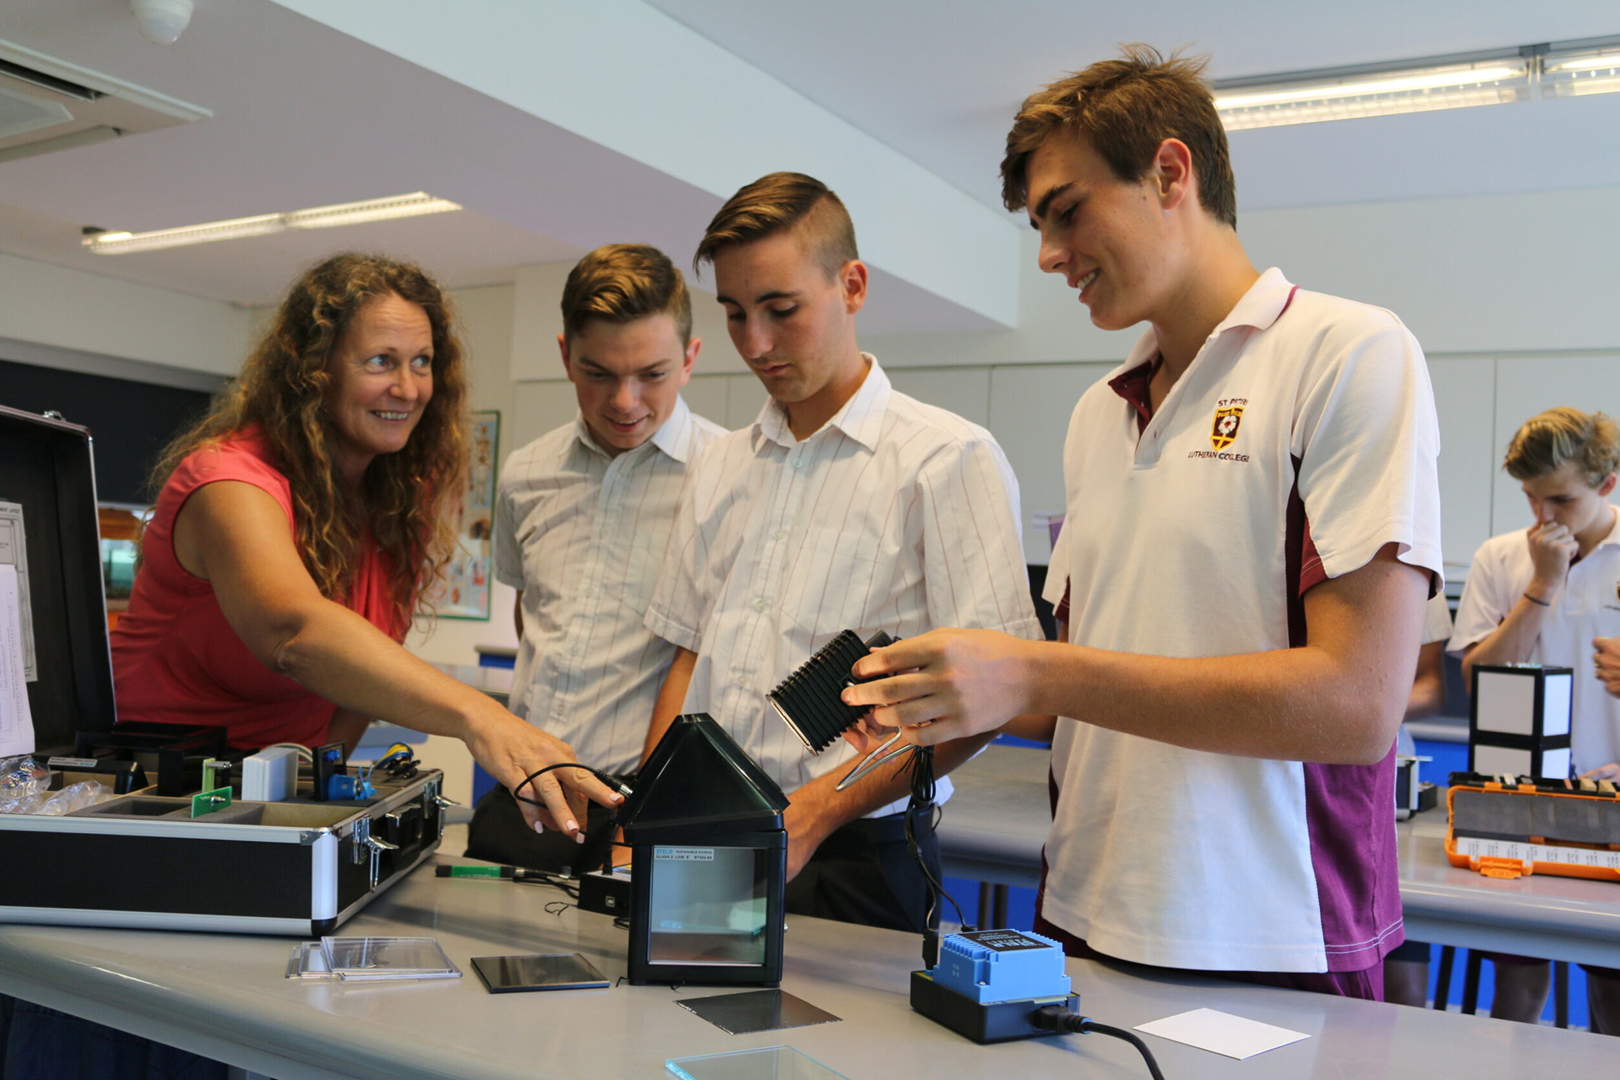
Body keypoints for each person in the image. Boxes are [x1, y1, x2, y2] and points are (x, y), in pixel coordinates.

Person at [843, 47, 1441, 999]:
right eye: (1039, 226)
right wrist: (943, 679)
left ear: (1171, 172)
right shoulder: (1097, 415)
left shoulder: (1347, 352)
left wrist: (1032, 666)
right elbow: (1078, 685)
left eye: (1067, 211)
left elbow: (1358, 707)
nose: (1047, 254)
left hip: (1270, 936)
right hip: (1078, 916)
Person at [642, 172, 1041, 933]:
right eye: (734, 314)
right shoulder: (720, 465)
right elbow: (690, 658)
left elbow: (990, 696)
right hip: (711, 835)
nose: (755, 343)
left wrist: (815, 813)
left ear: (851, 286)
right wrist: (649, 810)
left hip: (860, 856)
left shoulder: (947, 458)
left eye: (781, 310)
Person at [110, 253, 620, 833]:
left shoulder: (396, 500)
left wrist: (309, 796)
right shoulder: (228, 483)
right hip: (148, 790)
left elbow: (356, 686)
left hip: (274, 792)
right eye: (381, 361)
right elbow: (295, 634)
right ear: (314, 369)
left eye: (422, 362)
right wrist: (483, 717)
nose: (407, 388)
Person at [465, 244, 725, 873]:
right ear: (565, 356)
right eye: (600, 373)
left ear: (690, 360)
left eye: (652, 374)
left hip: (646, 809)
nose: (626, 401)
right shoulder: (526, 474)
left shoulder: (729, 478)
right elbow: (533, 614)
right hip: (522, 794)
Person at [1448, 406, 1620, 1031]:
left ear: (1606, 485)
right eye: (1529, 498)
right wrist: (1542, 586)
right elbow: (1477, 681)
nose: (1542, 519)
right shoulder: (1500, 558)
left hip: (1612, 805)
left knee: (1612, 994)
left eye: (1560, 500)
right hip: (1516, 806)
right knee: (1516, 984)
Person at [1382, 592, 1455, 1008]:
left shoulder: (1414, 556)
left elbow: (1431, 685)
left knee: (1402, 987)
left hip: (1379, 785)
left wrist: (1366, 709)